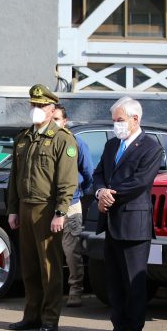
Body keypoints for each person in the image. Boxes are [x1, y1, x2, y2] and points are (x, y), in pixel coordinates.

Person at [91, 96, 163, 331]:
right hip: (111, 223)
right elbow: (98, 173)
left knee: (133, 284)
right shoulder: (112, 145)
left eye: (120, 120)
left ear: (135, 119)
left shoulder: (151, 147)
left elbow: (140, 182)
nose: (116, 125)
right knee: (114, 283)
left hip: (134, 224)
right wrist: (100, 192)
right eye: (114, 121)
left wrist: (110, 195)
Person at [7, 84, 78, 331]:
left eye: (41, 105)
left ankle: (49, 318)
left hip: (47, 209)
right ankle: (31, 316)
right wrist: (13, 209)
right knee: (29, 267)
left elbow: (67, 181)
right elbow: (14, 177)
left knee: (49, 267)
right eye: (33, 105)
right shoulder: (23, 138)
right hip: (25, 207)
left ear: (51, 109)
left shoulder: (62, 139)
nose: (35, 109)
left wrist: (60, 212)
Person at [53, 105, 94, 307]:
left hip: (71, 203)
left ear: (65, 121)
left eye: (57, 119)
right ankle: (51, 290)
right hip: (47, 204)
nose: (53, 123)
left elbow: (88, 174)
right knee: (50, 251)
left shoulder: (75, 142)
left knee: (71, 251)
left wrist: (77, 192)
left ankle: (75, 289)